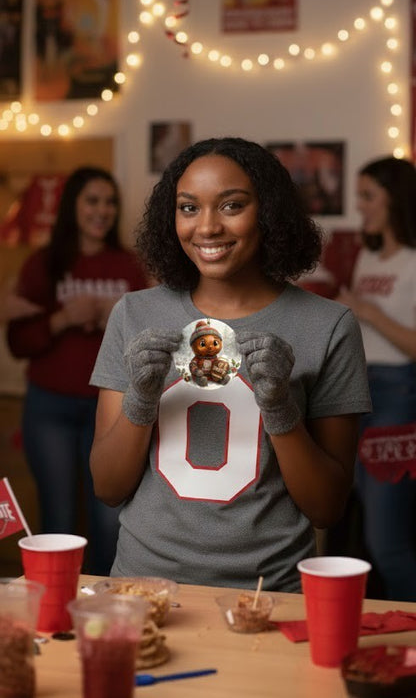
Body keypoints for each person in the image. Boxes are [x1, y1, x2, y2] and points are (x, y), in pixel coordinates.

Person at [89, 137, 371, 591]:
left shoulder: (329, 325)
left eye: (231, 206)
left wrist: (280, 408)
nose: (207, 227)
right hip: (143, 586)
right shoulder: (134, 314)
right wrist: (141, 398)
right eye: (188, 208)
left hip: (268, 593)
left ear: (269, 213)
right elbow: (107, 487)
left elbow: (326, 508)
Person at [7, 166, 148, 574]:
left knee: (110, 519)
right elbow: (19, 343)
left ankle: (101, 612)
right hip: (49, 409)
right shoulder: (42, 264)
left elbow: (149, 340)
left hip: (111, 410)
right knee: (59, 516)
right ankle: (53, 616)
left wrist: (115, 319)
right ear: (73, 207)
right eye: (92, 200)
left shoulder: (129, 266)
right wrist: (63, 318)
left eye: (109, 202)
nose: (102, 210)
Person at [337, 156, 416, 602]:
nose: (359, 206)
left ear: (395, 199)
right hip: (356, 390)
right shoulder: (367, 256)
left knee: (388, 542)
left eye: (368, 196)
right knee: (359, 530)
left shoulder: (412, 262)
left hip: (398, 394)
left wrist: (370, 313)